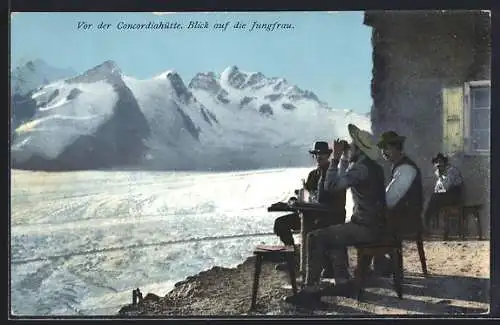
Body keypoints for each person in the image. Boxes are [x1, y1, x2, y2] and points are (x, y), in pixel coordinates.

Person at [285, 124, 387, 305]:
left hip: (366, 227)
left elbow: (331, 186)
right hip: (375, 224)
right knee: (334, 233)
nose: (349, 147)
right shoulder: (371, 167)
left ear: (359, 148)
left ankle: (311, 291)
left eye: (352, 145)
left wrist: (336, 159)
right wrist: (345, 160)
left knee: (315, 238)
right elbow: (340, 180)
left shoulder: (361, 168)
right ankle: (343, 281)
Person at [273, 141, 349, 278]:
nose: (319, 157)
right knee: (280, 223)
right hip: (309, 214)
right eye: (316, 154)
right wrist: (296, 200)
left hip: (328, 217)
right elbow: (307, 195)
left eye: (322, 154)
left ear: (328, 155)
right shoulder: (313, 174)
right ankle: (293, 258)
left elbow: (333, 201)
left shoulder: (334, 174)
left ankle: (322, 267)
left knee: (312, 231)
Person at [369, 130, 425, 276]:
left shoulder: (405, 169)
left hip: (407, 220)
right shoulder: (400, 166)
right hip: (403, 216)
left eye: (386, 148)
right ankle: (381, 264)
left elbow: (390, 199)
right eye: (382, 149)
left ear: (396, 148)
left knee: (371, 223)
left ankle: (382, 265)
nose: (383, 152)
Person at [423, 152, 464, 229]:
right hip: (446, 195)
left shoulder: (451, 171)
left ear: (445, 162)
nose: (439, 165)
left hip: (454, 195)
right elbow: (437, 188)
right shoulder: (439, 173)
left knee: (433, 199)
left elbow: (447, 186)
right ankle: (429, 223)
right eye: (437, 163)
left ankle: (428, 222)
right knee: (431, 199)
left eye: (441, 162)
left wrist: (441, 176)